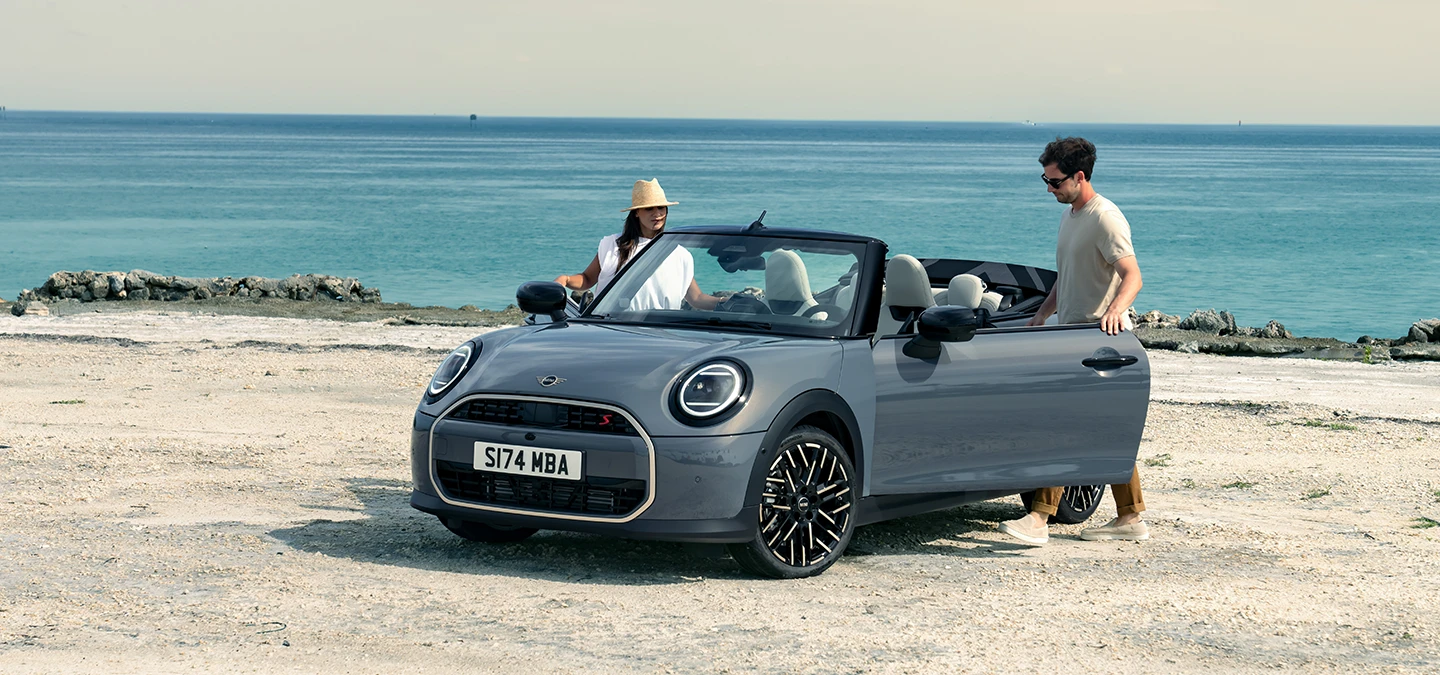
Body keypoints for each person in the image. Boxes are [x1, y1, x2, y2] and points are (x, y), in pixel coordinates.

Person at [999, 137, 1148, 546]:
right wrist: (1042, 314)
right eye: (1045, 180)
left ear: (1080, 176)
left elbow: (1132, 274)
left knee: (1064, 422)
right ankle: (1131, 516)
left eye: (1055, 181)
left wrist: (1116, 310)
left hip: (1101, 342)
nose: (1049, 189)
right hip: (1072, 335)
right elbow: (1068, 274)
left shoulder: (1106, 219)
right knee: (1106, 429)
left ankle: (1039, 518)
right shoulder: (1070, 215)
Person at [554, 178, 720, 311]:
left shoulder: (679, 254)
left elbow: (696, 299)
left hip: (661, 334)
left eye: (661, 207)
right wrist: (565, 279)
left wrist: (733, 302)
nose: (657, 214)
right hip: (611, 330)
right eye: (649, 209)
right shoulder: (612, 245)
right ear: (636, 214)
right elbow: (588, 279)